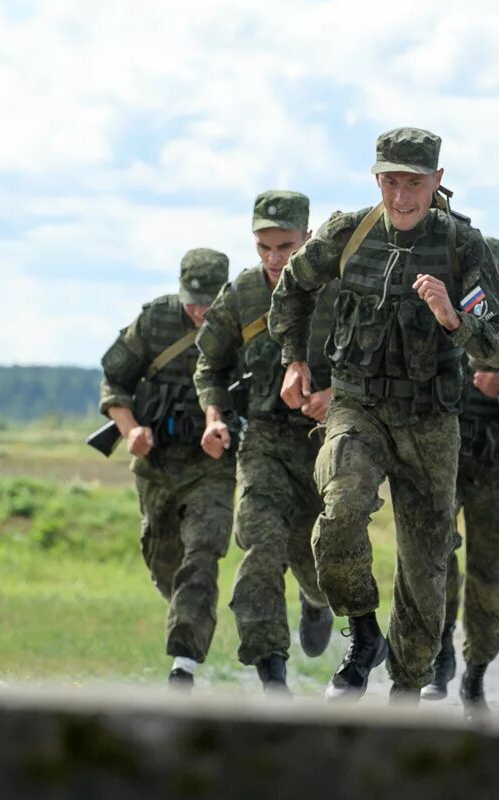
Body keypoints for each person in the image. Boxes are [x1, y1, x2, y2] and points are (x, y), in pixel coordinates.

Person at [268, 127, 499, 703]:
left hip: (430, 419)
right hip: (357, 406)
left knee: (426, 567)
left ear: (437, 181)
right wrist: (294, 360)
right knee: (338, 513)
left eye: (413, 183)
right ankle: (361, 633)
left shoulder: (462, 247)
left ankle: (406, 690)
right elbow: (293, 289)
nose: (402, 197)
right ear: (375, 179)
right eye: (390, 182)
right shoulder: (345, 235)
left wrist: (455, 319)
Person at [194, 191, 338, 694]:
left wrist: (335, 393)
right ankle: (271, 674)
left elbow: (379, 359)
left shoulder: (340, 288)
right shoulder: (243, 294)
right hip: (266, 443)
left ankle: (318, 603)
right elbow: (209, 364)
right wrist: (214, 417)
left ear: (308, 237)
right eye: (264, 247)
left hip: (331, 441)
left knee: (319, 558)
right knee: (259, 547)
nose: (274, 259)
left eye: (285, 246)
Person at [99, 247, 235, 690]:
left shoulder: (242, 321)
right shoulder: (155, 320)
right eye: (193, 301)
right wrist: (131, 430)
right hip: (156, 463)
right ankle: (186, 615)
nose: (200, 311)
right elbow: (114, 380)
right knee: (165, 564)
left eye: (208, 302)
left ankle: (184, 665)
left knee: (202, 555)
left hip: (211, 464)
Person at [420, 236, 499, 716]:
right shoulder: (429, 325)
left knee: (490, 572)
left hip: (494, 470)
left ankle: (476, 673)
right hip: (443, 463)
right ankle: (441, 651)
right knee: (435, 559)